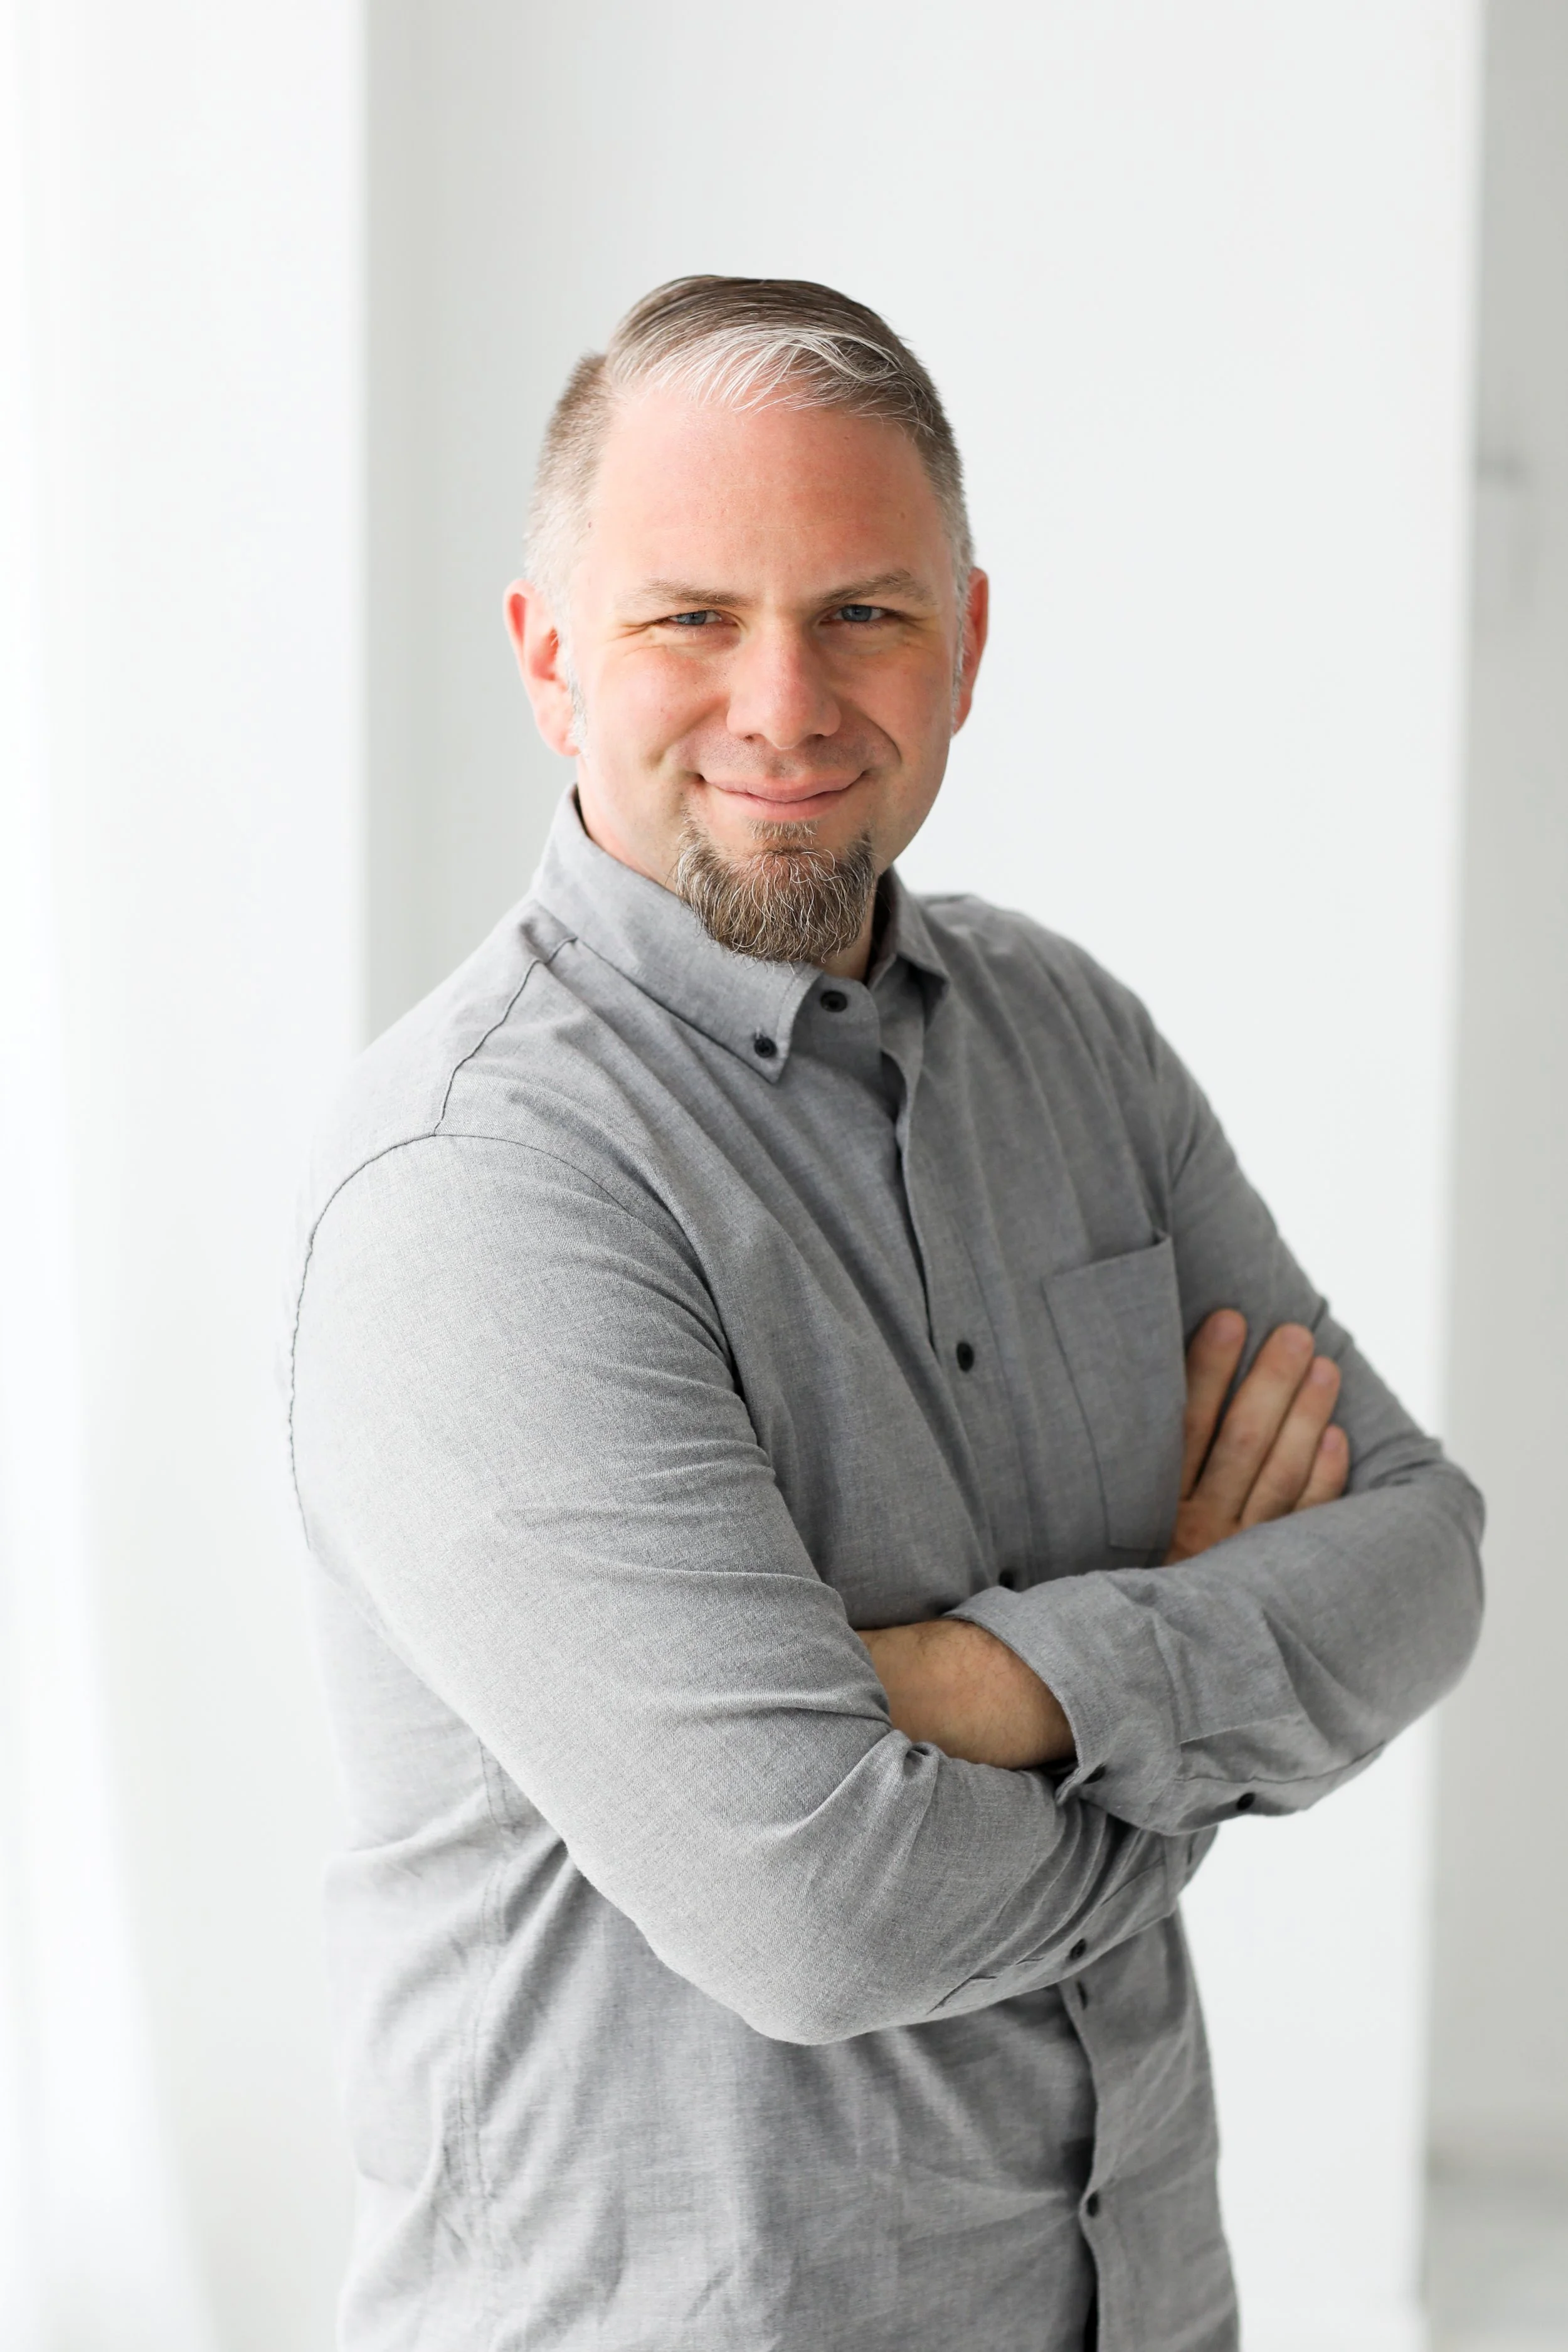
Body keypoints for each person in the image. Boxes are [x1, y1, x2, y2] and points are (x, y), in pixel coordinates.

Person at [287, 277, 1482, 2352]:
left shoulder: (1070, 1040)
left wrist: (999, 1689)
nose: (785, 701)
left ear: (967, 645)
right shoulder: (476, 1184)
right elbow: (820, 1915)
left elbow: (1424, 1557)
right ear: (549, 654)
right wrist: (1193, 1724)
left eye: (862, 611)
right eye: (690, 616)